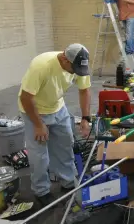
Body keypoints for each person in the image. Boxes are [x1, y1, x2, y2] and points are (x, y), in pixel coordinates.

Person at [18, 43, 92, 206]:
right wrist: (38, 124)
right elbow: (26, 97)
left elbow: (84, 90)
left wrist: (86, 118)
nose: (76, 73)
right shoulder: (41, 65)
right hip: (34, 110)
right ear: (65, 59)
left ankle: (67, 182)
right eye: (74, 69)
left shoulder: (79, 63)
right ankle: (41, 190)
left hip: (58, 108)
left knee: (65, 146)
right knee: (39, 155)